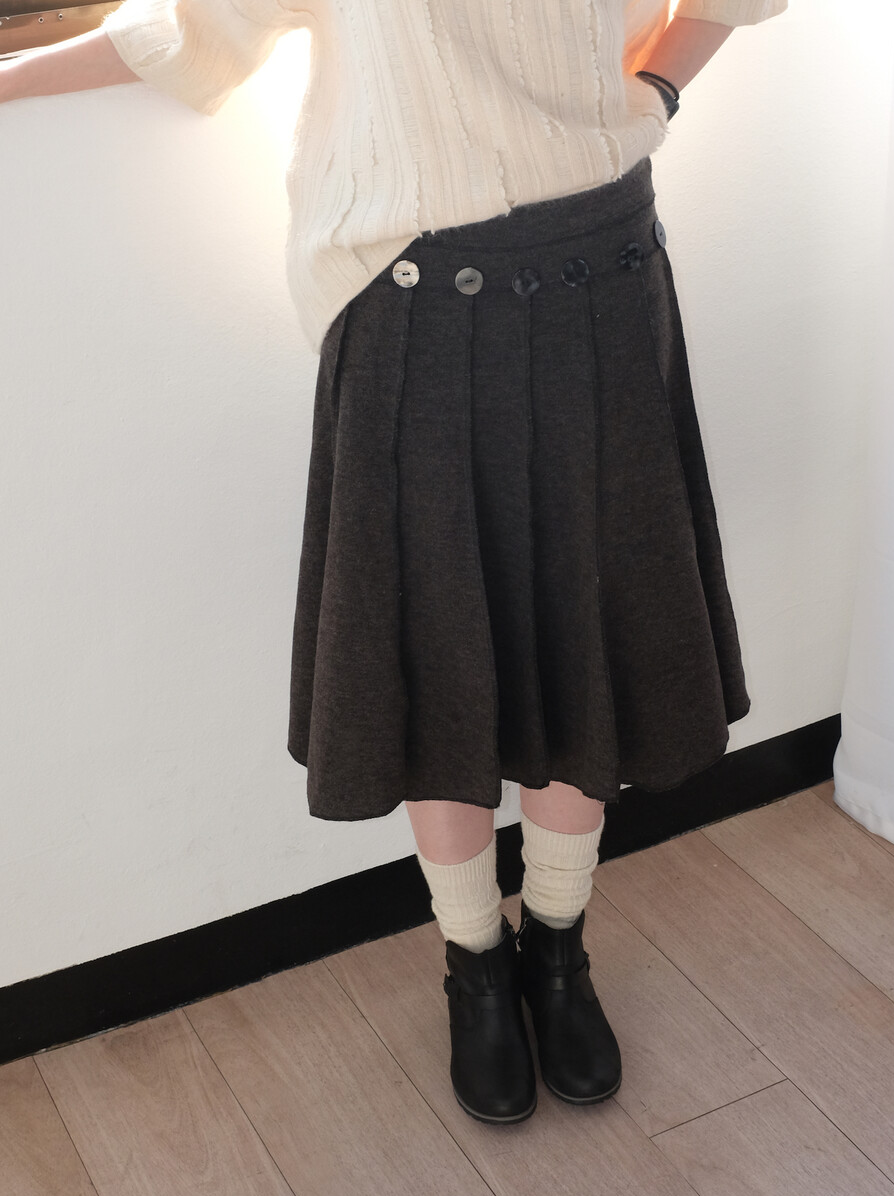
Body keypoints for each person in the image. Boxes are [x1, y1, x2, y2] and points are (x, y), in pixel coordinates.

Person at [1, 0, 786, 1126]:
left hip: (603, 269)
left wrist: (656, 87)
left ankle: (558, 944)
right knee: (437, 648)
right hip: (415, 300)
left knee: (588, 634)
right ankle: (474, 964)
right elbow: (187, 27)